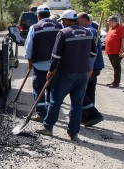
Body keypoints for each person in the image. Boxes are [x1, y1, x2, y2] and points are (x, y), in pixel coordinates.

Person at [36, 10, 97, 141]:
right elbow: (93, 53)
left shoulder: (63, 33)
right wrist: (90, 67)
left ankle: (48, 127)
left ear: (67, 20)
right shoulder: (88, 32)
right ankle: (74, 133)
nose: (62, 23)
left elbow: (56, 55)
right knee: (77, 104)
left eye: (63, 20)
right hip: (82, 75)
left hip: (65, 74)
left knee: (55, 101)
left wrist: (51, 70)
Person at [24, 5, 61, 122]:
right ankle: (50, 113)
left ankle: (41, 113)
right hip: (56, 65)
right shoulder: (59, 26)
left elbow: (29, 46)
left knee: (38, 88)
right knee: (52, 89)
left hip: (39, 64)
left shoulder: (35, 27)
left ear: (38, 15)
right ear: (49, 14)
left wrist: (29, 60)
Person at [77, 12, 105, 127]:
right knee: (89, 91)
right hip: (95, 66)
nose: (77, 23)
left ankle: (93, 115)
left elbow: (90, 52)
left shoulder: (89, 31)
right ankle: (87, 117)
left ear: (85, 20)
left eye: (78, 21)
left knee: (80, 91)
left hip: (91, 66)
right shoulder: (92, 29)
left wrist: (89, 67)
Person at [104, 16, 124, 88]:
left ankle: (116, 82)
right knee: (114, 67)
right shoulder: (112, 28)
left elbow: (123, 39)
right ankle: (114, 81)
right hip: (110, 51)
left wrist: (121, 49)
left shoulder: (121, 28)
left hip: (116, 52)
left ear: (113, 21)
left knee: (117, 67)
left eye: (108, 21)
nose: (107, 23)